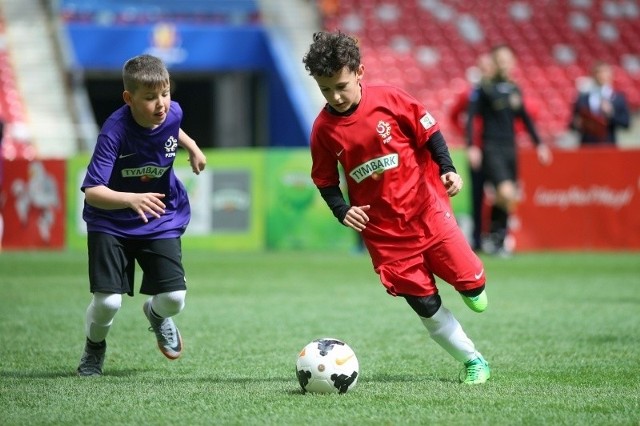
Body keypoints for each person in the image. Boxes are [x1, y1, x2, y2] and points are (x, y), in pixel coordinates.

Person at [303, 31, 491, 385]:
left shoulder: (390, 99)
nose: (335, 96)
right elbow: (325, 181)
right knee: (425, 304)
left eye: (341, 85)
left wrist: (448, 168)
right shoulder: (322, 131)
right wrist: (342, 210)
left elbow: (430, 131)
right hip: (385, 236)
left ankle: (472, 284)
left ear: (360, 72)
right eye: (326, 89)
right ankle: (473, 360)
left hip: (426, 214)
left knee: (473, 288)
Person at [76, 54, 207, 377]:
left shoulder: (172, 112)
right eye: (150, 98)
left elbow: (173, 128)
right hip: (110, 221)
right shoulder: (114, 133)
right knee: (108, 303)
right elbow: (93, 190)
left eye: (165, 94)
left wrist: (192, 147)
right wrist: (130, 199)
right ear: (128, 98)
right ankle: (94, 348)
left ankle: (157, 315)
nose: (161, 104)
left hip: (159, 216)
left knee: (174, 299)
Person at [466, 44, 551, 256]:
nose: (503, 63)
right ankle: (495, 237)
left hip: (510, 148)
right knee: (505, 192)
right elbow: (470, 119)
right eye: (499, 59)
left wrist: (539, 144)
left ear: (513, 62)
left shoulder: (514, 89)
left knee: (508, 196)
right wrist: (472, 146)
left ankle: (497, 238)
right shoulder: (483, 88)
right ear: (493, 63)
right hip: (491, 146)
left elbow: (525, 118)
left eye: (507, 59)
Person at [448, 53, 496, 251]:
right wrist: (469, 141)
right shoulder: (470, 93)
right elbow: (454, 115)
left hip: (496, 148)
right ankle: (477, 239)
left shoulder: (497, 92)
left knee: (498, 193)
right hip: (477, 149)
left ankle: (496, 236)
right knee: (477, 195)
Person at [569, 60, 631, 145]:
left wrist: (611, 114)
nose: (601, 75)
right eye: (599, 72)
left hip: (608, 145)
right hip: (587, 146)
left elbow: (626, 123)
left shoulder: (618, 98)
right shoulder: (582, 98)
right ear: (593, 75)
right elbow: (572, 123)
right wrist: (577, 124)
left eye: (605, 72)